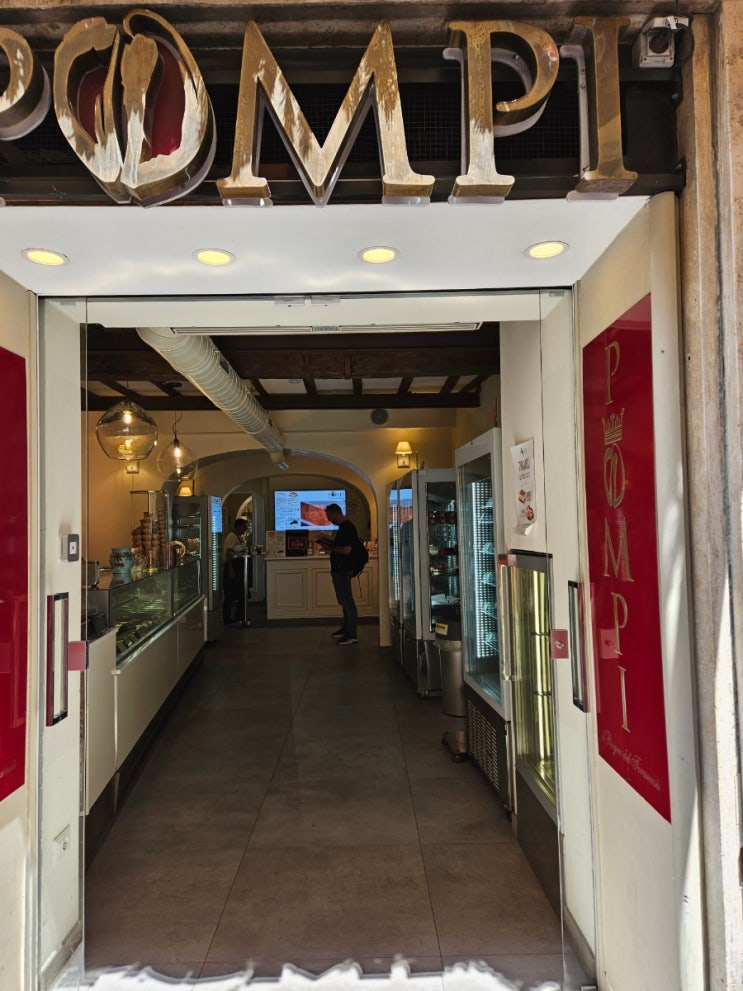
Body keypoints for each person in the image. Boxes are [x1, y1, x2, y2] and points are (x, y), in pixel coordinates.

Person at [314, 503, 358, 645]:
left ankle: (351, 633)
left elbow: (346, 550)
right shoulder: (344, 527)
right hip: (340, 569)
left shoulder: (347, 528)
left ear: (335, 513)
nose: (328, 519)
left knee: (347, 600)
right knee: (344, 601)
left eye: (328, 515)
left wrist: (330, 548)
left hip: (343, 569)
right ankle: (346, 629)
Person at [222, 518, 251, 627]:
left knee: (242, 593)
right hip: (232, 568)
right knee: (229, 595)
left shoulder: (237, 537)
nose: (245, 529)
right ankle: (227, 619)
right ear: (238, 527)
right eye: (244, 526)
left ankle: (239, 616)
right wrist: (231, 569)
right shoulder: (232, 537)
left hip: (236, 568)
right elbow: (228, 553)